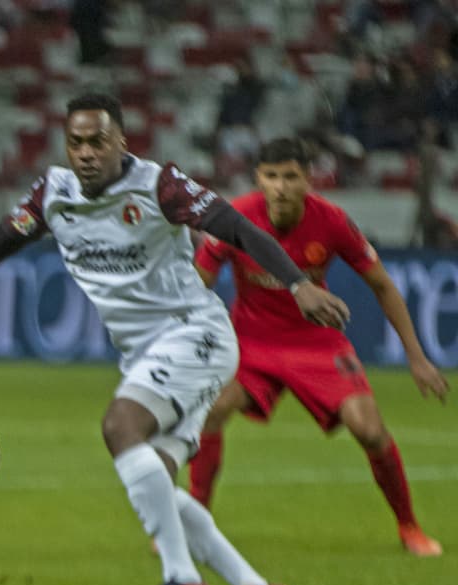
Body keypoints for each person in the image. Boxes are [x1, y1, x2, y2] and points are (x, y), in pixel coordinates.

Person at [0, 93, 352, 585]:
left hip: (195, 333)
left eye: (98, 141)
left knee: (120, 427)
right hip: (150, 352)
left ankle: (180, 576)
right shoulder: (55, 192)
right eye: (77, 142)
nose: (86, 153)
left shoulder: (160, 186)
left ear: (121, 143)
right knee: (157, 482)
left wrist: (298, 283)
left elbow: (239, 229)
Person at [191, 138, 448, 556]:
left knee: (369, 429)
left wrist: (416, 358)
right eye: (271, 176)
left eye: (290, 176)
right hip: (252, 342)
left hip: (316, 343)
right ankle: (195, 523)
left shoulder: (331, 221)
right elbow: (197, 282)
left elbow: (382, 284)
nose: (280, 187)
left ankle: (409, 527)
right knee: (213, 408)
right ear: (258, 178)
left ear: (307, 179)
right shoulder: (235, 217)